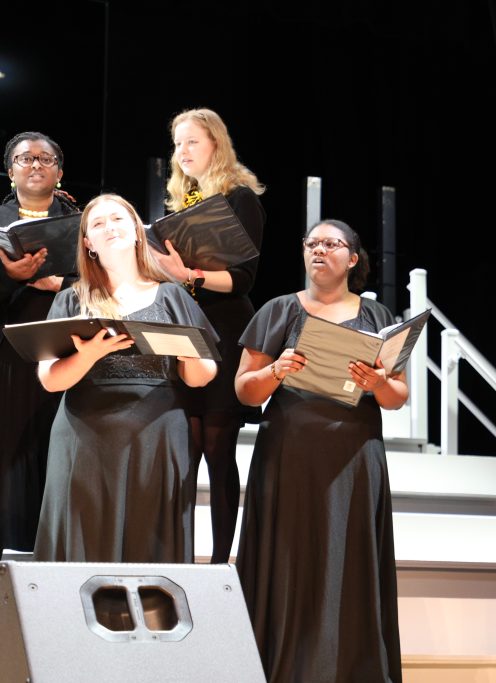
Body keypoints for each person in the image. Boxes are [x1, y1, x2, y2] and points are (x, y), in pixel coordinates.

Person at [234, 220, 405, 683]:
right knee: (288, 557)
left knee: (348, 557)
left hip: (354, 453)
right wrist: (276, 372)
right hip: (290, 451)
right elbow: (245, 391)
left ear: (353, 258)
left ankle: (348, 667)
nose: (319, 250)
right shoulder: (279, 309)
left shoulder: (377, 316)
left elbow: (397, 397)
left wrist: (379, 382)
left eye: (332, 244)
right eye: (312, 242)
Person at [33, 194, 217, 563]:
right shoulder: (72, 300)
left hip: (157, 437)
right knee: (83, 543)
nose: (109, 228)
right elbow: (51, 381)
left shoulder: (172, 297)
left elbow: (201, 377)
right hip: (84, 439)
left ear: (136, 230)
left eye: (118, 219)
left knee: (148, 545)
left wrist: (188, 355)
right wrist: (89, 355)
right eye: (97, 224)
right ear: (88, 243)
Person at [151, 107, 266, 563]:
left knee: (218, 448)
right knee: (187, 446)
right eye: (177, 144)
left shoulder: (240, 198)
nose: (182, 152)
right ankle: (177, 559)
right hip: (183, 325)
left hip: (225, 326)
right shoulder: (180, 204)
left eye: (192, 142)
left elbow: (244, 278)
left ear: (216, 144)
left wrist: (191, 274)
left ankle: (221, 563)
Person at [0, 132, 79, 554]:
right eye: (24, 158)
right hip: (9, 355)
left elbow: (105, 279)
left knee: (59, 447)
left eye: (45, 158)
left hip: (69, 350)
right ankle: (11, 551)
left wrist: (60, 283)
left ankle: (57, 548)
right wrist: (11, 277)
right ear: (11, 172)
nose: (35, 165)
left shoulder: (82, 220)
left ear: (59, 171)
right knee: (12, 450)